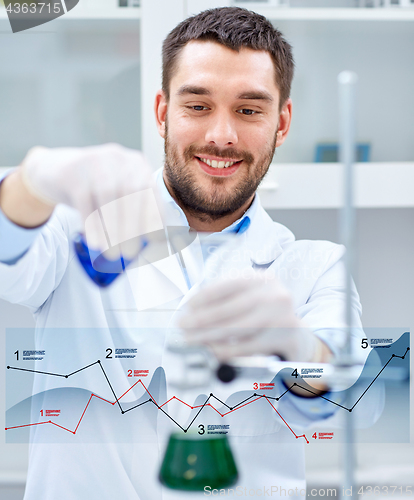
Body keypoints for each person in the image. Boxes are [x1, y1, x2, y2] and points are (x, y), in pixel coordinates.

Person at [0, 7, 369, 500]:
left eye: (249, 109)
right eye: (197, 106)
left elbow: (333, 372)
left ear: (281, 123)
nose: (222, 135)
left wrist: (296, 347)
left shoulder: (316, 267)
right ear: (162, 112)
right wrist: (30, 182)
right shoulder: (79, 230)